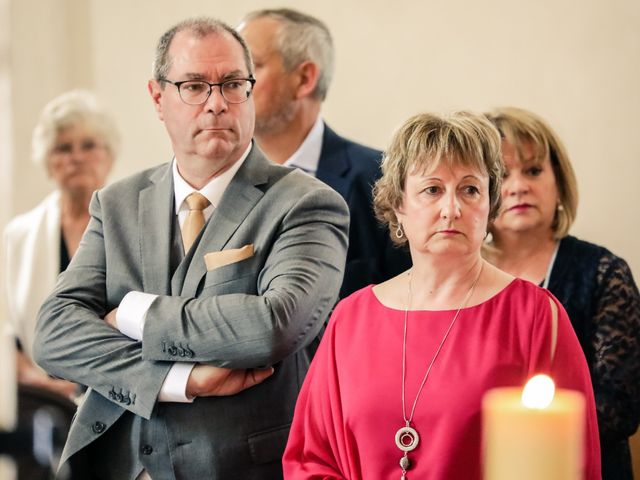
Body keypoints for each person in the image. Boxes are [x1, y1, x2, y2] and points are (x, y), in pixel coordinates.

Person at [33, 17, 349, 479]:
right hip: (114, 461)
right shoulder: (117, 202)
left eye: (233, 84)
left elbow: (273, 326)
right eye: (195, 86)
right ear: (158, 98)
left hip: (237, 466)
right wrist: (175, 380)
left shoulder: (308, 203)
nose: (217, 103)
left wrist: (134, 313)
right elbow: (54, 331)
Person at [282, 111, 601, 479]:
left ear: (489, 206)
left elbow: (572, 463)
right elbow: (311, 459)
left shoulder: (535, 315)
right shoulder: (351, 317)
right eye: (432, 190)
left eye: (469, 189)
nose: (452, 208)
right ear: (398, 206)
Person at [483, 106, 640, 480]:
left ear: (559, 182)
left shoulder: (603, 273)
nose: (518, 186)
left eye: (534, 170)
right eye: (502, 175)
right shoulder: (458, 276)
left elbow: (620, 407)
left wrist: (525, 442)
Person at [238, 9, 411, 297]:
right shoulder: (215, 183)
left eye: (251, 67)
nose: (234, 84)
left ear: (305, 78)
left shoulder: (383, 177)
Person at [3, 90, 118, 400]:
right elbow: (6, 328)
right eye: (63, 148)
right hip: (43, 396)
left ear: (109, 156)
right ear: (47, 162)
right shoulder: (19, 235)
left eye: (88, 145)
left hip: (119, 389)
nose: (76, 157)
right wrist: (30, 377)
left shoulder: (133, 224)